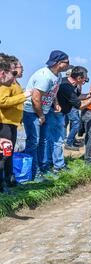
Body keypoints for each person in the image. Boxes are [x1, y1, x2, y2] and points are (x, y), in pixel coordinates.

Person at [23, 50, 69, 181]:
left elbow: (53, 91)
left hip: (44, 111)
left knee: (44, 140)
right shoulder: (45, 76)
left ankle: (44, 167)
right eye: (67, 62)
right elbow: (35, 99)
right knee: (34, 142)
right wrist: (41, 115)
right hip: (32, 112)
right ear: (59, 63)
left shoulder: (57, 75)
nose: (68, 65)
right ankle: (33, 172)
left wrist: (56, 103)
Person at [0, 55, 31, 191]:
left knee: (9, 154)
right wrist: (24, 96)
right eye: (19, 68)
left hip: (12, 122)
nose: (22, 71)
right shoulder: (7, 84)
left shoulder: (14, 83)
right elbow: (3, 101)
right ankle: (3, 184)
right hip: (5, 123)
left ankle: (9, 180)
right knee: (4, 155)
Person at [58, 67, 91, 152]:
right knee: (55, 141)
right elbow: (81, 106)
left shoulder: (70, 83)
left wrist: (90, 94)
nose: (85, 81)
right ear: (78, 78)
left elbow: (78, 96)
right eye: (84, 78)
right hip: (56, 113)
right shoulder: (66, 86)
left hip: (61, 112)